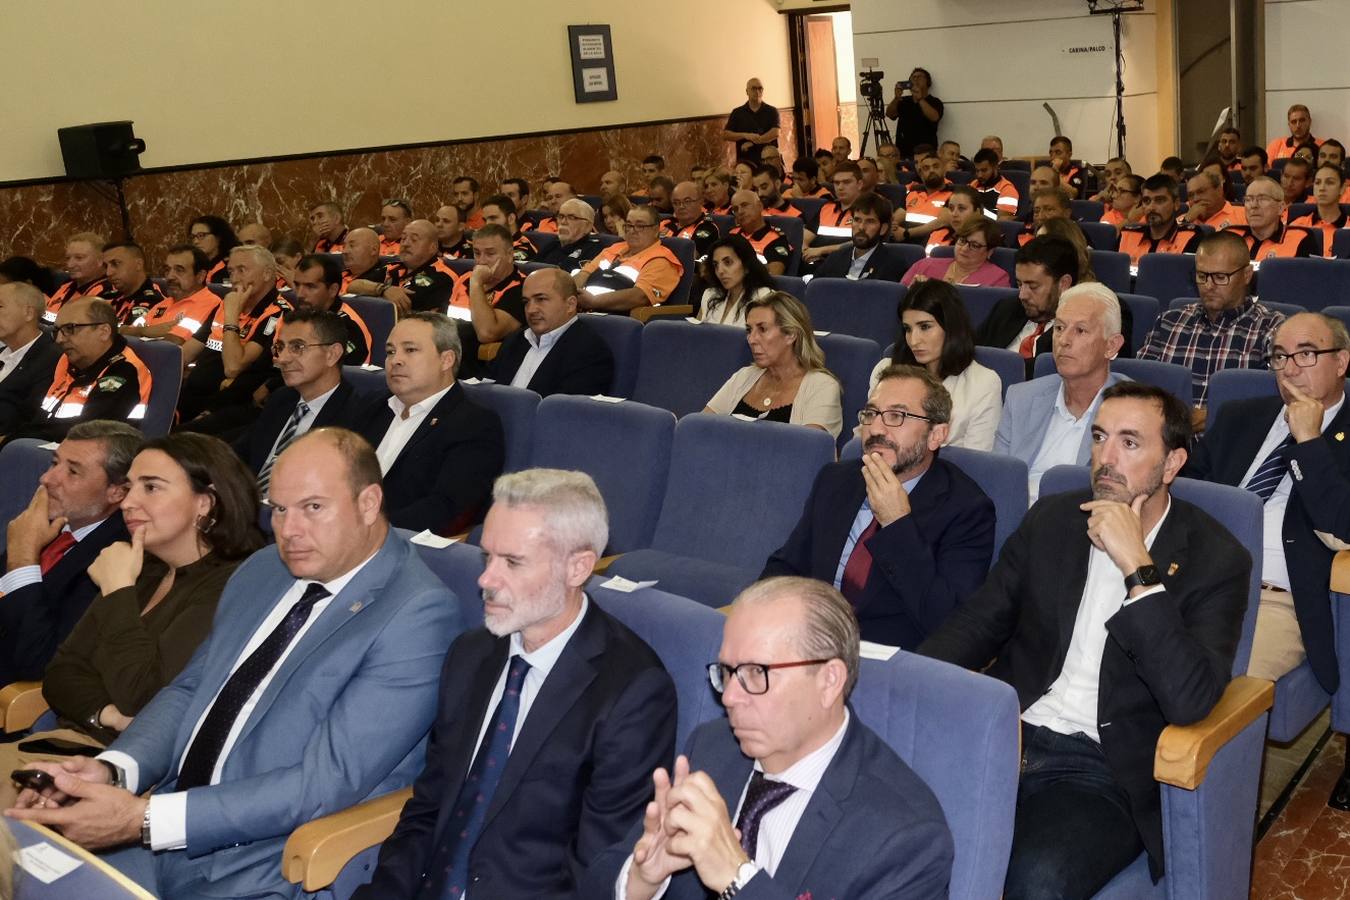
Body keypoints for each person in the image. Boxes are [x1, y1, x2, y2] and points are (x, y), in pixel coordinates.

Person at [6, 428, 462, 900]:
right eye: (280, 509)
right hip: (167, 826)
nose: (289, 531)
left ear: (368, 503)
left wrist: (141, 820)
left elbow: (322, 783)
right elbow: (192, 689)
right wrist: (115, 770)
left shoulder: (416, 614)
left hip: (270, 864)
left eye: (313, 508)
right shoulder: (264, 569)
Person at [921, 381, 1250, 896]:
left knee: (1033, 880)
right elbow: (978, 624)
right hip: (1005, 734)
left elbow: (1191, 701)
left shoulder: (1216, 558)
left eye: (1130, 442)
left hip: (1102, 769)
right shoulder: (1053, 520)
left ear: (1172, 464)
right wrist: (908, 684)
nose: (1106, 457)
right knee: (901, 839)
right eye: (1099, 437)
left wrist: (1138, 568)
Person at [355, 469, 677, 897]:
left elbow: (598, 871)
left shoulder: (632, 691)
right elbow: (429, 809)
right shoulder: (471, 655)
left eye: (512, 562)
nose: (486, 579)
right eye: (486, 556)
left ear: (578, 567)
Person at [587, 576, 954, 899]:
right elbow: (600, 879)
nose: (729, 696)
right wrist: (642, 880)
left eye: (755, 672)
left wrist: (737, 878)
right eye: (728, 672)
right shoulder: (713, 748)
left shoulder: (905, 837)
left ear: (829, 682)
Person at [31, 434, 263, 757]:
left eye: (151, 487)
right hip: (70, 743)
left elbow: (141, 697)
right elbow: (59, 672)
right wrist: (108, 715)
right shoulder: (145, 567)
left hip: (135, 775)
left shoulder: (232, 587)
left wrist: (118, 591)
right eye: (130, 486)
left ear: (205, 503)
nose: (126, 503)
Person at [764, 358, 993, 646]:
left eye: (897, 416)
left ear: (936, 435)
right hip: (809, 638)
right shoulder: (836, 480)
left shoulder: (968, 510)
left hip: (886, 658)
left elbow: (948, 622)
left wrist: (897, 524)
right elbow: (788, 564)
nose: (876, 429)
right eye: (871, 414)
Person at [1184, 309, 1350, 692]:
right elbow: (1187, 494)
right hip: (1196, 580)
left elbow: (1343, 525)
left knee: (1207, 685)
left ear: (1341, 361)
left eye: (1306, 354)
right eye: (1279, 356)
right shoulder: (1239, 417)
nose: (1289, 370)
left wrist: (1310, 441)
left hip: (1276, 601)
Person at [0, 421, 139, 684]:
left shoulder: (115, 558)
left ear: (118, 491)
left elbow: (41, 664)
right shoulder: (56, 522)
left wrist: (21, 561)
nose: (46, 479)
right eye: (55, 463)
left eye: (73, 472)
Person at [359, 312, 504, 535]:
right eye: (390, 351)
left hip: (394, 542)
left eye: (410, 350)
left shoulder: (473, 423)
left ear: (446, 360)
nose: (395, 360)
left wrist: (363, 528)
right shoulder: (372, 407)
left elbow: (448, 508)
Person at [996, 284, 1130, 500]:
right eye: (1059, 328)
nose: (1063, 341)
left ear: (1111, 346)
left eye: (1080, 330)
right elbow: (999, 482)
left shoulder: (1133, 410)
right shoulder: (1021, 398)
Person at [1137, 231, 1284, 422]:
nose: (1209, 285)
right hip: (1165, 439)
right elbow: (1137, 390)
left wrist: (1210, 417)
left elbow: (1279, 403)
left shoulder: (1272, 328)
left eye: (1221, 277)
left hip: (1233, 444)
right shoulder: (1168, 322)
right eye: (1202, 275)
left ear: (1246, 275)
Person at [237, 307, 374, 479]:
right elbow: (241, 454)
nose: (282, 359)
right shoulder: (282, 398)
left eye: (297, 347)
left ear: (332, 354)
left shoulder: (355, 418)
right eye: (280, 347)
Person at [873, 281, 1003, 450]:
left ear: (951, 327)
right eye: (908, 329)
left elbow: (976, 462)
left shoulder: (983, 383)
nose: (914, 340)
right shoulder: (886, 371)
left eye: (925, 327)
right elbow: (866, 435)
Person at [704, 292, 843, 439]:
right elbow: (702, 427)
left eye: (762, 329)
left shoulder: (822, 386)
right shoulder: (744, 376)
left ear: (791, 334)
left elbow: (808, 451)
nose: (751, 339)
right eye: (749, 330)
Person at [175, 245, 286, 427]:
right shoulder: (226, 304)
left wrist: (232, 316)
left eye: (242, 270)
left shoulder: (277, 313)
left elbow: (233, 368)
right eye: (231, 271)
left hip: (226, 405)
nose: (234, 278)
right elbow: (186, 354)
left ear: (267, 274)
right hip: (191, 394)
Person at [27, 299, 153, 440]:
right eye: (56, 331)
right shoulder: (65, 360)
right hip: (42, 447)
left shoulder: (124, 371)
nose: (59, 339)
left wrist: (14, 439)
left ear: (103, 332)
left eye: (70, 328)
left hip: (92, 455)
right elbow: (31, 411)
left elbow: (88, 433)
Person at [486, 268, 615, 396]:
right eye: (526, 302)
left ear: (570, 305)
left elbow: (565, 411)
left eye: (541, 299)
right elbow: (486, 384)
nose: (531, 310)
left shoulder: (590, 351)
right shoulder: (516, 339)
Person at [576, 205, 684, 313]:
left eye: (640, 226)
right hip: (583, 311)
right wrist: (571, 294)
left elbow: (639, 297)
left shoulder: (661, 260)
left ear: (655, 230)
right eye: (628, 225)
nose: (632, 231)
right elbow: (585, 273)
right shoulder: (615, 248)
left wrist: (594, 301)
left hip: (618, 320)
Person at [350, 219, 458, 316]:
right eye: (403, 238)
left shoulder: (442, 276)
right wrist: (383, 290)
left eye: (414, 239)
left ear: (432, 247)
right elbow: (353, 286)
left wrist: (372, 291)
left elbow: (401, 307)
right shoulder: (393, 268)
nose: (405, 244)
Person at [122, 245, 220, 346]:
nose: (169, 276)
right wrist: (145, 331)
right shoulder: (164, 303)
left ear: (200, 276)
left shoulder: (209, 303)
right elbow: (123, 334)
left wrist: (141, 332)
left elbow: (173, 344)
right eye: (167, 269)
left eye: (179, 270)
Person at [450, 224, 527, 351]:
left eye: (490, 254)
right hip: (446, 346)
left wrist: (476, 283)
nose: (481, 261)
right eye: (477, 253)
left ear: (509, 255)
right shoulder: (465, 278)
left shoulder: (522, 288)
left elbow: (486, 333)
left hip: (478, 361)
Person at [283, 254, 371, 366]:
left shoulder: (348, 327)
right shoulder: (301, 313)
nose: (300, 294)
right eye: (297, 285)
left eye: (310, 287)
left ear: (332, 290)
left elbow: (337, 376)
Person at [0, 281, 62, 433]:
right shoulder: (3, 351)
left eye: (0, 307)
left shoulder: (52, 359)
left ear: (28, 313)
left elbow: (31, 420)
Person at [812, 193, 906, 281]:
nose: (861, 227)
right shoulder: (835, 258)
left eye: (870, 221)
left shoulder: (894, 266)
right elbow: (814, 290)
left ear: (883, 229)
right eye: (857, 220)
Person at [1118, 175, 1201, 274]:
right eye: (1146, 201)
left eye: (1159, 200)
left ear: (1176, 204)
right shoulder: (1127, 234)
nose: (1151, 207)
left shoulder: (1192, 236)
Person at [1227, 176, 1320, 262]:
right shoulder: (1230, 236)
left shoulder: (1301, 238)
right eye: (1248, 199)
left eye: (1262, 199)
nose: (1253, 205)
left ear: (1280, 208)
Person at [902, 218, 1011, 288]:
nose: (964, 249)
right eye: (962, 241)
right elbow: (898, 301)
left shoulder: (998, 279)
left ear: (990, 252)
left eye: (974, 245)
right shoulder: (924, 265)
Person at [698, 234, 776, 327]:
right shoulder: (710, 294)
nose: (720, 271)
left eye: (728, 262)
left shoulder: (764, 297)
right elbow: (695, 334)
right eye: (716, 265)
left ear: (746, 265)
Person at [44, 233, 112, 325]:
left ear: (100, 260)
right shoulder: (66, 285)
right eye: (68, 258)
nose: (70, 265)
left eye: (79, 258)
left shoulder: (108, 292)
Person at [803, 161, 865, 261]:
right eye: (836, 183)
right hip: (815, 262)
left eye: (846, 182)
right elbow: (804, 237)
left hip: (847, 264)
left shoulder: (868, 211)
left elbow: (861, 243)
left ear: (860, 184)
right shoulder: (826, 208)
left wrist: (822, 250)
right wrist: (806, 252)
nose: (840, 187)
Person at [729, 189, 792, 276]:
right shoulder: (732, 234)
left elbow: (774, 275)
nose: (740, 212)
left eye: (744, 205)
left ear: (759, 206)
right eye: (735, 209)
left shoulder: (775, 239)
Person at [1290, 163, 1347, 256]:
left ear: (1342, 188)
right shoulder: (1297, 225)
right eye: (1317, 182)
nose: (1322, 188)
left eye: (1330, 182)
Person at [101, 243, 164, 326]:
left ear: (138, 265)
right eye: (106, 266)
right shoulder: (108, 296)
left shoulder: (152, 300)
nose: (108, 273)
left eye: (116, 264)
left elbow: (130, 336)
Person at [885, 67, 943, 157]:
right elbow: (889, 114)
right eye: (913, 77)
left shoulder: (935, 101)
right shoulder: (903, 101)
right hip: (903, 152)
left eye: (920, 77)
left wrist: (920, 99)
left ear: (928, 83)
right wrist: (896, 98)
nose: (916, 79)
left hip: (926, 152)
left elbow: (934, 117)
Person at [897, 154, 955, 244]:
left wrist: (907, 233)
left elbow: (943, 221)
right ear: (921, 174)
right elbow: (900, 214)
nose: (931, 170)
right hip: (904, 242)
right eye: (926, 168)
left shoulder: (953, 194)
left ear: (943, 170)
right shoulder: (913, 192)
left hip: (931, 244)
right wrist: (892, 225)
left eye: (936, 166)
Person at [538, 198, 606, 269]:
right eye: (561, 216)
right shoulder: (552, 244)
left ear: (587, 226)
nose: (563, 222)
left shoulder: (595, 250)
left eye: (571, 217)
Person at [662, 181, 721, 262]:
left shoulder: (707, 228)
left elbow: (693, 259)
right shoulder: (665, 223)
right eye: (676, 202)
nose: (681, 206)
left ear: (701, 201)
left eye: (687, 201)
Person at [917, 184, 981, 253]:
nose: (954, 214)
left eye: (961, 208)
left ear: (976, 213)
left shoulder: (982, 243)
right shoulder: (936, 234)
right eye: (951, 208)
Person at [480, 194, 543, 263]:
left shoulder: (524, 249)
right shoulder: (480, 246)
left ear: (511, 219)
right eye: (485, 220)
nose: (487, 224)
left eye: (493, 218)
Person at [1182, 169, 1246, 230]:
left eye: (1201, 191)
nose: (1195, 199)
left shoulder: (1245, 215)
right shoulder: (1181, 221)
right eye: (1190, 195)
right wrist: (1186, 221)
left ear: (1219, 190)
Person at [971, 148, 1020, 219]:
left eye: (984, 170)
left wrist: (980, 212)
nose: (979, 175)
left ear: (996, 167)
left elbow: (1002, 221)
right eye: (977, 171)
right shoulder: (973, 185)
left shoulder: (1008, 189)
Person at [187, 217, 238, 285]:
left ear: (218, 237)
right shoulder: (194, 267)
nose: (195, 241)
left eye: (201, 235)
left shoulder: (230, 266)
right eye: (193, 237)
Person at [339, 227, 389, 292]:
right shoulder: (337, 275)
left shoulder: (384, 278)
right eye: (344, 246)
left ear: (374, 250)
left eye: (352, 245)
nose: (345, 251)